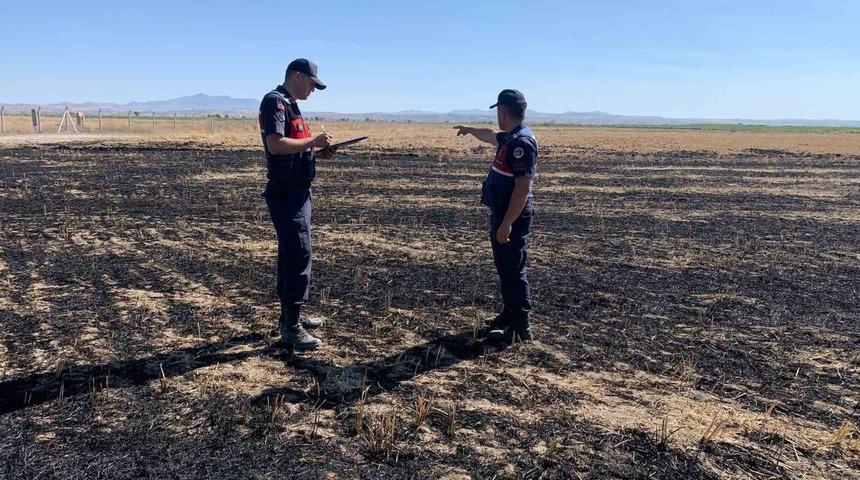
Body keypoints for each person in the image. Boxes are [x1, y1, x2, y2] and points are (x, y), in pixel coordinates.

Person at [258, 58, 336, 350]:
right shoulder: (275, 102)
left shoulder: (291, 104)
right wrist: (311, 143)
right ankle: (291, 327)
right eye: (312, 85)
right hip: (286, 193)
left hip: (298, 191)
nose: (314, 91)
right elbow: (275, 145)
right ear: (298, 77)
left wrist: (316, 153)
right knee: (297, 254)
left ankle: (293, 316)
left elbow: (294, 149)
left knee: (296, 253)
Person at [454, 89, 538, 344]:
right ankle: (509, 313)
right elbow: (491, 136)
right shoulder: (512, 137)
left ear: (502, 112)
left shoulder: (521, 143)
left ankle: (519, 327)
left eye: (497, 112)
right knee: (505, 268)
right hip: (503, 214)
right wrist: (470, 129)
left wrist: (507, 224)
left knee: (514, 270)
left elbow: (523, 189)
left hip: (511, 217)